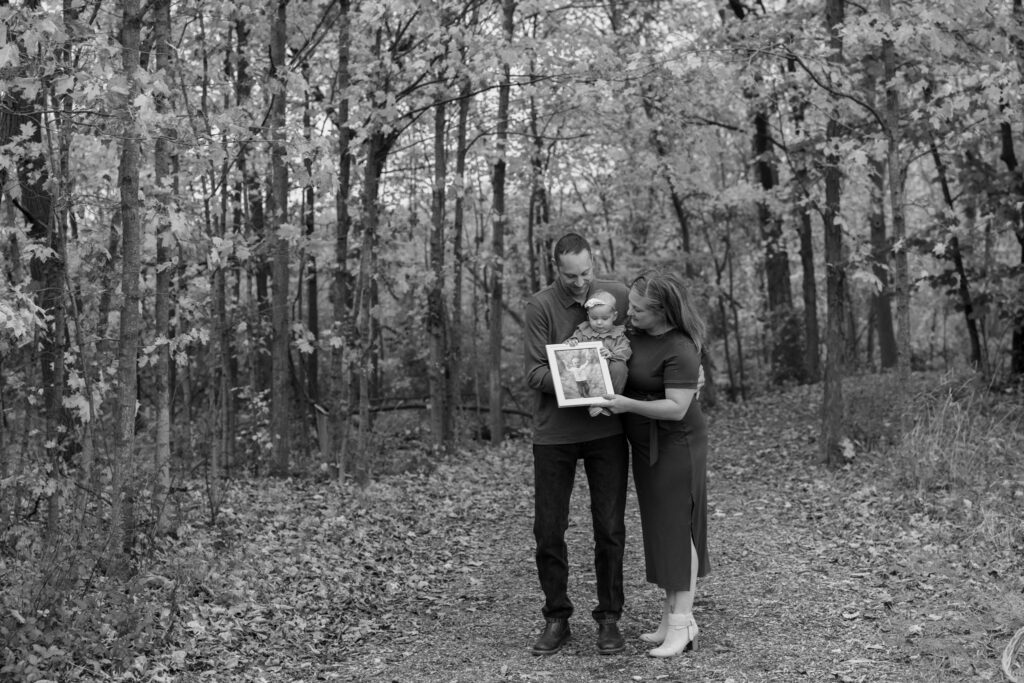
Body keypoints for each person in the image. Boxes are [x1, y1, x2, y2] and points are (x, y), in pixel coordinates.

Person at [523, 233, 631, 656]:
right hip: (555, 435)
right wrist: (579, 382)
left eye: (586, 272)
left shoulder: (617, 295)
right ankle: (556, 617)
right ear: (556, 269)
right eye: (571, 275)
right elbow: (533, 373)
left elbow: (659, 325)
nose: (580, 281)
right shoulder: (540, 306)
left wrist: (689, 370)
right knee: (549, 530)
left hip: (607, 433)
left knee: (610, 528)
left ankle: (609, 618)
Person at [597, 270, 711, 658]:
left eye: (640, 309)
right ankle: (670, 617)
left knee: (679, 530)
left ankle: (683, 624)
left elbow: (678, 408)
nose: (631, 313)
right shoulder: (635, 335)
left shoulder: (680, 347)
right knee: (661, 530)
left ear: (662, 311)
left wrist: (626, 405)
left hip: (677, 445)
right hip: (646, 445)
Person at [564, 289, 631, 394]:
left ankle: (612, 398)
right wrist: (572, 342)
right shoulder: (583, 331)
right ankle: (589, 398)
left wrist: (611, 354)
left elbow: (625, 350)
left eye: (605, 318)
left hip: (609, 373)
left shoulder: (617, 334)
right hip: (589, 370)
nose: (599, 322)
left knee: (619, 367)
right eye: (594, 318)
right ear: (588, 316)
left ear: (614, 316)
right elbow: (567, 346)